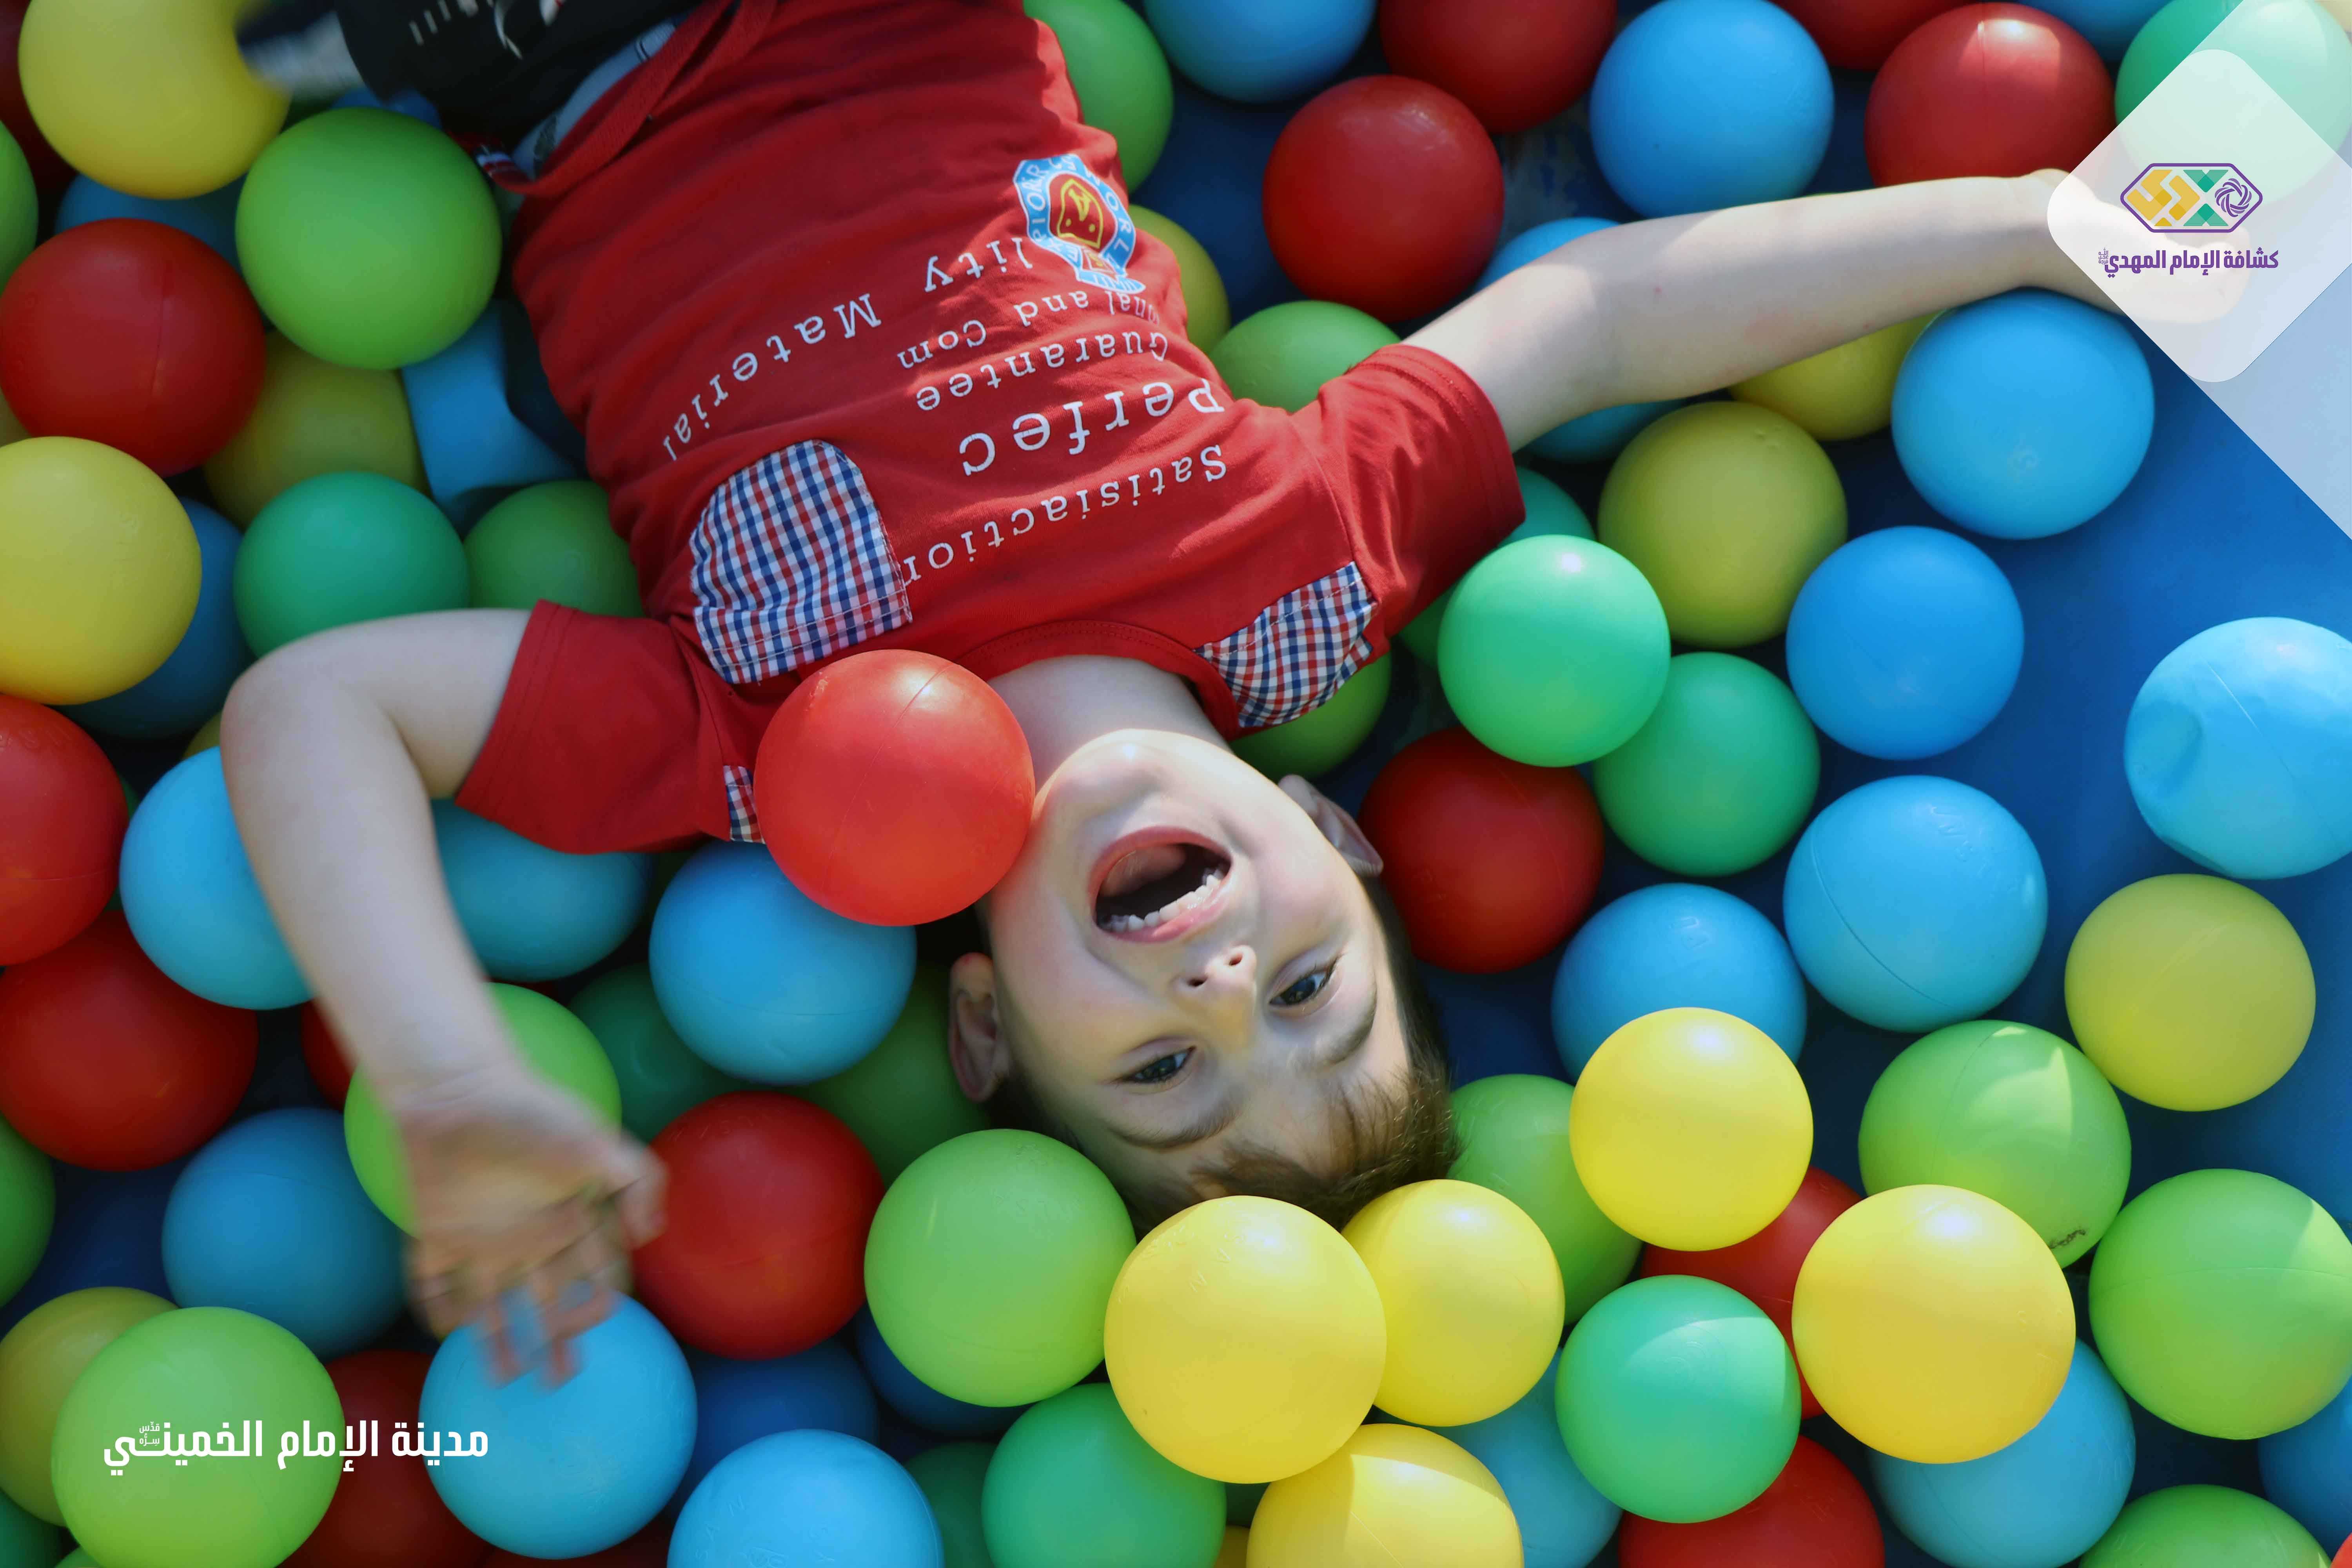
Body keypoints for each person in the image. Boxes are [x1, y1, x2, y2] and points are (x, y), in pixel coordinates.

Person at [225, 0, 2105, 1380]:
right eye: (1308, 993)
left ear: (984, 1027)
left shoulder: (776, 760)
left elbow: (316, 708)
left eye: (1161, 1076)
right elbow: (1607, 314)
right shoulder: (1308, 582)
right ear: (1333, 830)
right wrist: (2038, 220)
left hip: (563, 53)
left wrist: (441, 1064)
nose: (1217, 992)